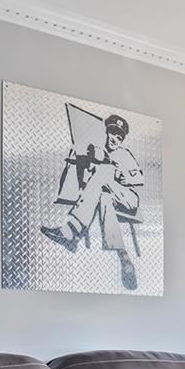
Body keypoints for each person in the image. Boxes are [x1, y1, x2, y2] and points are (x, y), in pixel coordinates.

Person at [40, 108, 145, 289]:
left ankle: (72, 231)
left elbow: (138, 179)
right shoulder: (98, 152)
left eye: (119, 137)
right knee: (103, 197)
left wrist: (113, 167)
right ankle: (124, 258)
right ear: (107, 133)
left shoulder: (124, 154)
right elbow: (88, 187)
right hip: (109, 197)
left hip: (128, 198)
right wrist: (88, 162)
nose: (114, 139)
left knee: (104, 174)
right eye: (112, 134)